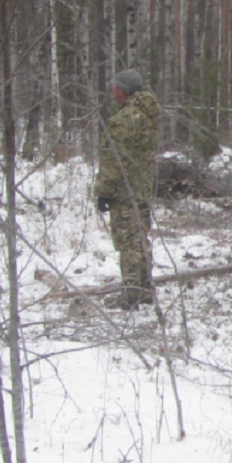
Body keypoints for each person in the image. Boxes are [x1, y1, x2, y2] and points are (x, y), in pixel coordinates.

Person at [95, 70, 161, 310]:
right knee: (140, 238)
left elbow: (114, 160)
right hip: (142, 187)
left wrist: (104, 191)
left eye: (115, 87)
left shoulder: (125, 120)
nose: (112, 91)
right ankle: (144, 289)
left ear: (124, 90)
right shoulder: (147, 113)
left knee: (128, 242)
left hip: (125, 191)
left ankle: (132, 294)